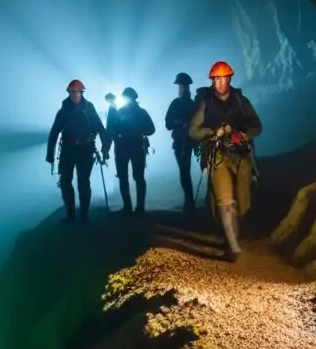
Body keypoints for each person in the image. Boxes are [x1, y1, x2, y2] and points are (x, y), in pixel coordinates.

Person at [188, 61, 261, 261]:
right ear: (212, 81)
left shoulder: (241, 101)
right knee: (225, 201)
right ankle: (233, 245)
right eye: (217, 79)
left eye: (224, 78)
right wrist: (212, 132)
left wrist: (244, 134)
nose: (221, 83)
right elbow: (193, 131)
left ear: (230, 79)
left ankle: (231, 237)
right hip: (218, 156)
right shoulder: (206, 103)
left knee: (242, 202)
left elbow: (257, 126)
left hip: (241, 157)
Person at [46, 79, 109, 224]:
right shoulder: (64, 110)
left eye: (76, 92)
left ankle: (84, 215)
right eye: (71, 92)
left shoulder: (88, 108)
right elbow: (54, 132)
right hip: (68, 149)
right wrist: (50, 155)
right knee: (65, 182)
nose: (74, 95)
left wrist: (105, 149)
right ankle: (71, 215)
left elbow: (100, 129)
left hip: (85, 149)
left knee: (83, 182)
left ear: (81, 93)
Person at [106, 87, 156, 213]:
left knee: (127, 177)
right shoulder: (138, 112)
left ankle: (130, 206)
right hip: (134, 146)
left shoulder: (120, 111)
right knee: (135, 177)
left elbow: (110, 130)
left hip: (127, 146)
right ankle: (137, 207)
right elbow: (150, 130)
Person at [164, 72, 197, 212]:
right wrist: (180, 123)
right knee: (184, 170)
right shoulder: (185, 104)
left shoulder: (188, 104)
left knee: (184, 170)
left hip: (187, 142)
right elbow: (168, 123)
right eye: (181, 85)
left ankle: (189, 202)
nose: (181, 88)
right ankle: (189, 201)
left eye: (182, 85)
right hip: (181, 141)